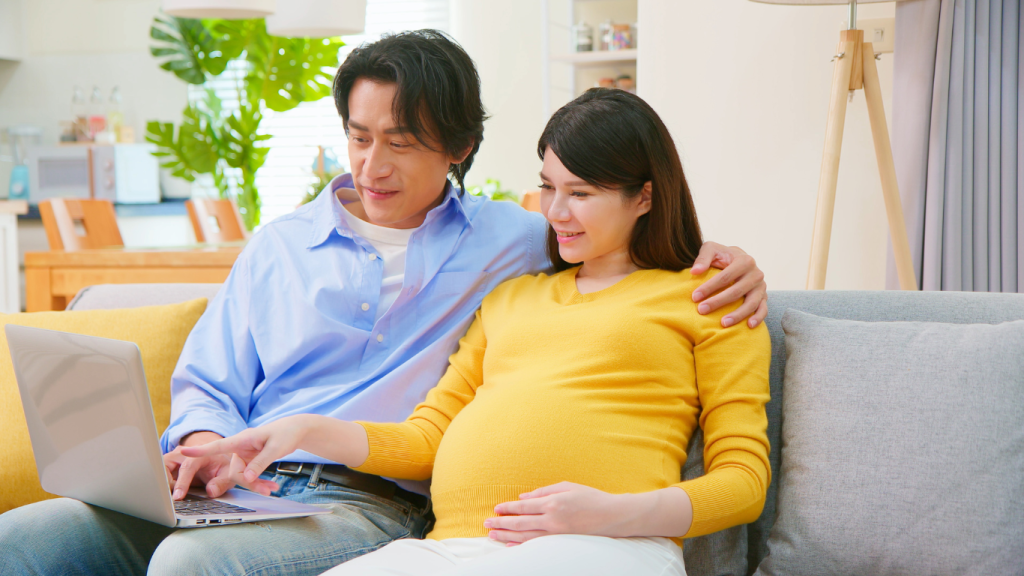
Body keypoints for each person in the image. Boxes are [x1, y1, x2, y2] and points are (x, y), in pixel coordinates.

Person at [0, 31, 768, 576]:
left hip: (368, 504)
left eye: (401, 142)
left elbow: (624, 244)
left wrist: (731, 260)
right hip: (244, 491)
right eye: (359, 137)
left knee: (190, 566)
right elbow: (209, 385)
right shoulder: (278, 247)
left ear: (458, 147)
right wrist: (207, 449)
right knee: (28, 539)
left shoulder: (515, 240)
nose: (373, 165)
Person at [184, 88, 771, 576]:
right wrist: (301, 429)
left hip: (601, 546)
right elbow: (423, 440)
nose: (556, 212)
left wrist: (612, 513)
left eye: (582, 194)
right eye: (548, 187)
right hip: (448, 548)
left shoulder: (709, 299)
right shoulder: (512, 294)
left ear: (644, 196)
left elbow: (744, 482)